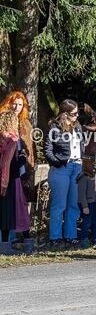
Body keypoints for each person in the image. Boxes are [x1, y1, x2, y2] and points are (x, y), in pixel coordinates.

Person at [44, 99, 83, 249]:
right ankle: (55, 237)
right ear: (65, 114)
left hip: (77, 167)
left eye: (77, 113)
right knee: (59, 205)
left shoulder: (78, 127)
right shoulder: (54, 127)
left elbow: (82, 146)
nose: (77, 116)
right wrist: (58, 162)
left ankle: (70, 235)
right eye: (74, 114)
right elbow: (48, 150)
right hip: (62, 168)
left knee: (73, 205)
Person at [0, 92, 32, 253]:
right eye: (15, 103)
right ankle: (12, 243)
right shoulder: (11, 138)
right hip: (11, 176)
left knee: (11, 208)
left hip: (14, 174)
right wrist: (21, 159)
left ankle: (11, 242)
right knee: (12, 209)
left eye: (20, 104)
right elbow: (7, 160)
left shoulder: (22, 126)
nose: (17, 107)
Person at [77, 171, 96, 248]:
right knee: (87, 222)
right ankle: (84, 239)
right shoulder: (83, 177)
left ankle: (95, 238)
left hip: (93, 202)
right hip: (86, 203)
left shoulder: (95, 177)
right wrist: (84, 206)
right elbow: (81, 194)